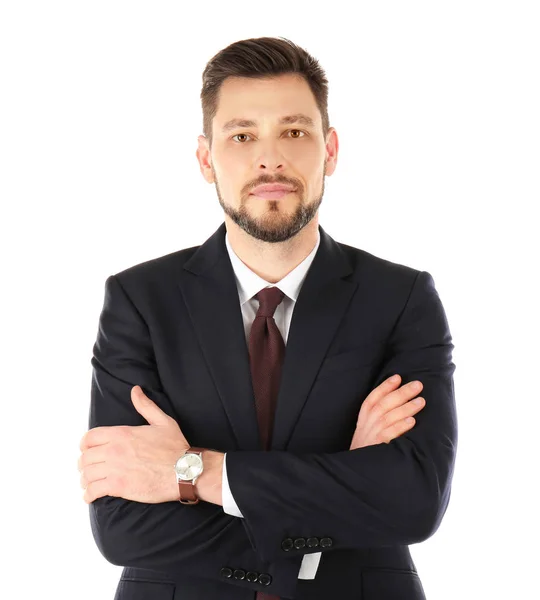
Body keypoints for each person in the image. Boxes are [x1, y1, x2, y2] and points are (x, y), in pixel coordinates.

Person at [78, 36, 457, 600]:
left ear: (329, 150)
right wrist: (344, 481)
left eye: (294, 132)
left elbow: (413, 500)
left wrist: (192, 473)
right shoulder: (140, 300)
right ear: (207, 159)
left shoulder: (401, 298)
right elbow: (121, 525)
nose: (269, 158)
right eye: (242, 135)